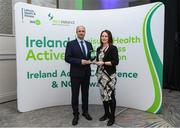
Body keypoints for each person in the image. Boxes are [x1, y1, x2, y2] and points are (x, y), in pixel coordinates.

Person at [65, 25, 93, 126]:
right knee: (75, 95)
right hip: (75, 74)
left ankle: (85, 112)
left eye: (83, 31)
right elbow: (67, 58)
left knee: (85, 94)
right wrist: (80, 61)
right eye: (79, 31)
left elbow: (91, 57)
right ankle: (76, 114)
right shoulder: (71, 44)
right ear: (76, 32)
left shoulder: (89, 44)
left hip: (86, 73)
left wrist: (93, 60)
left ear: (85, 32)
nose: (81, 33)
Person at [94, 30, 119, 126]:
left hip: (109, 76)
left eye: (106, 36)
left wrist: (103, 63)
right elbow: (97, 60)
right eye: (102, 36)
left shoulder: (113, 48)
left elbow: (115, 62)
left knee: (111, 96)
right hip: (100, 76)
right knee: (104, 95)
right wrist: (94, 61)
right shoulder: (98, 49)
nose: (104, 38)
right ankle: (106, 114)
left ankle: (112, 117)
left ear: (109, 38)